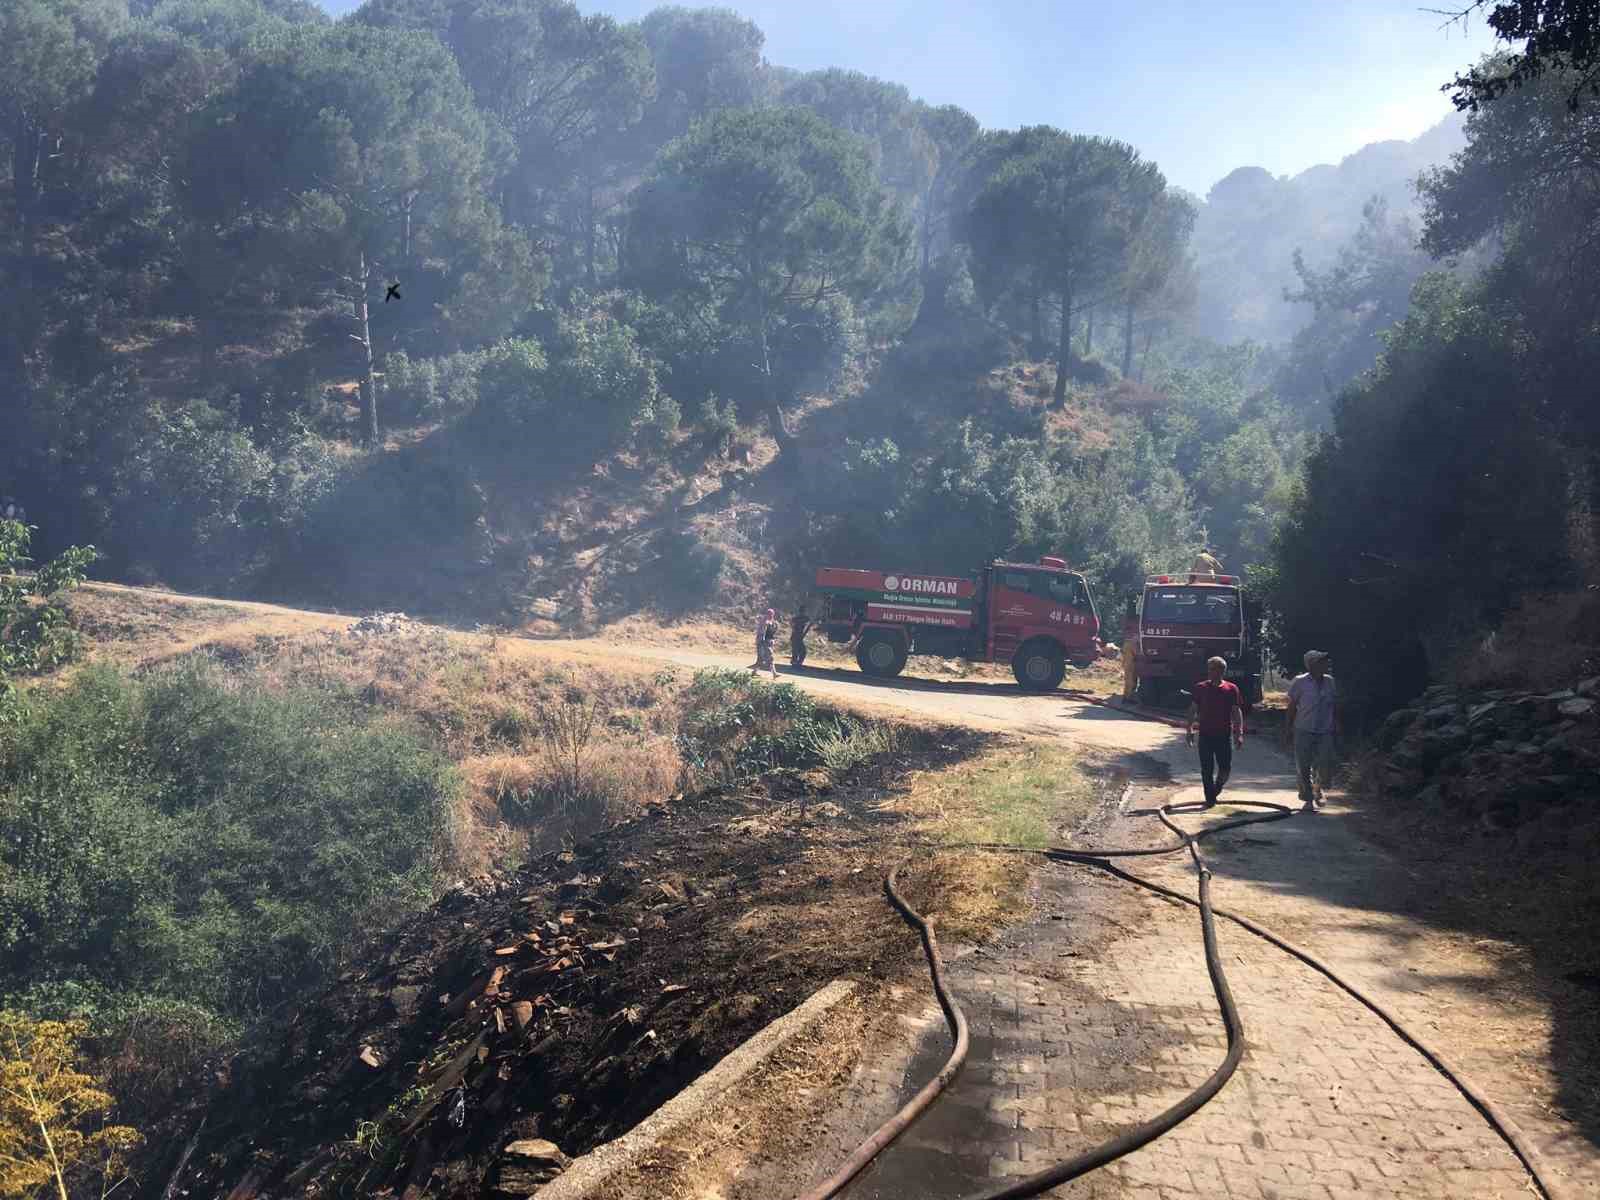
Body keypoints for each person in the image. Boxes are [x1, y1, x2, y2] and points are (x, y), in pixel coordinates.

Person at [1284, 650, 1339, 810]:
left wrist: (1337, 723)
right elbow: (1292, 706)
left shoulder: (1330, 681)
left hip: (1325, 729)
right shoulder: (1300, 682)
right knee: (1303, 765)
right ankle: (1307, 798)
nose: (1326, 664)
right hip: (1303, 728)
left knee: (1325, 762)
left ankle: (1318, 788)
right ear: (1312, 665)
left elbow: (1334, 705)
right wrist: (1288, 728)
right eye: (1322, 662)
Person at [1186, 656, 1244, 807]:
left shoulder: (1231, 689)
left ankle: (1216, 789)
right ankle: (1209, 799)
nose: (1211, 672)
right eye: (1210, 669)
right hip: (1205, 735)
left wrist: (1239, 733)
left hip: (1224, 735)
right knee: (1207, 769)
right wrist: (1189, 729)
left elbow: (1236, 712)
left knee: (1225, 769)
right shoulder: (1200, 688)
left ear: (1222, 671)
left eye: (1215, 669)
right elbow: (1193, 710)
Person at [751, 607, 779, 679]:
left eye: (772, 614)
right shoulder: (765, 622)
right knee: (770, 657)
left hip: (766, 642)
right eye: (770, 614)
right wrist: (762, 641)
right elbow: (762, 632)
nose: (771, 615)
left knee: (761, 659)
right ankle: (774, 673)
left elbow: (772, 633)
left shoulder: (772, 622)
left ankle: (754, 672)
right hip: (763, 643)